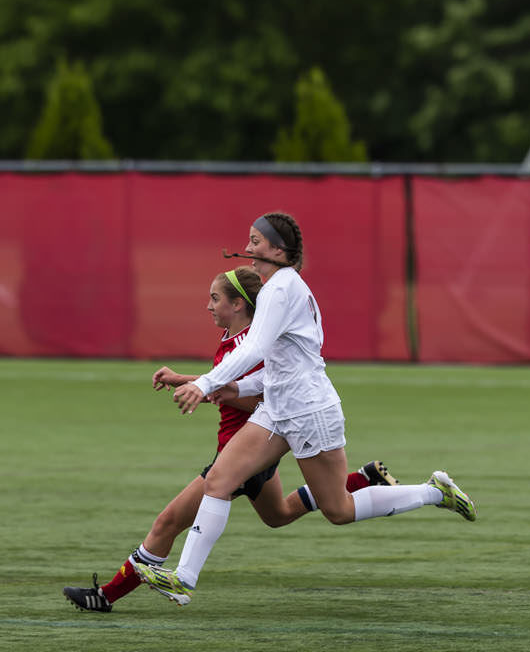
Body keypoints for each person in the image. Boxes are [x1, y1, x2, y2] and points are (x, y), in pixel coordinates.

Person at [130, 213, 474, 602]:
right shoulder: (282, 287)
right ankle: (183, 579)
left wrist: (206, 383)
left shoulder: (281, 290)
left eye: (256, 241)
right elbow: (276, 368)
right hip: (278, 409)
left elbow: (255, 350)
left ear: (279, 250)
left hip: (310, 412)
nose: (250, 250)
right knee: (219, 481)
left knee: (339, 510)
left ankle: (434, 492)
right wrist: (226, 386)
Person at [65, 265, 397, 612]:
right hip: (251, 453)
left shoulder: (252, 344)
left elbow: (263, 397)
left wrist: (206, 389)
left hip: (245, 452)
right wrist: (188, 380)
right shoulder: (238, 340)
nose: (208, 306)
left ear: (238, 304)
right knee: (278, 514)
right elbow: (226, 384)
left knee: (168, 521)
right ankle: (359, 480)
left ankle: (106, 595)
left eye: (215, 298)